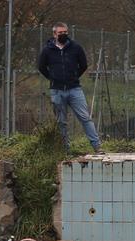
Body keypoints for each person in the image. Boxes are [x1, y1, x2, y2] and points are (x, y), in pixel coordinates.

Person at [36, 22, 102, 153]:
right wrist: (52, 78)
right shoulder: (47, 50)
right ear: (54, 34)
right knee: (61, 122)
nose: (63, 35)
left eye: (65, 32)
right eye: (60, 33)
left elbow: (83, 65)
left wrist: (74, 76)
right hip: (57, 90)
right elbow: (41, 67)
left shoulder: (76, 48)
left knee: (85, 118)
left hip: (74, 89)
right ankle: (65, 149)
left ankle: (97, 146)